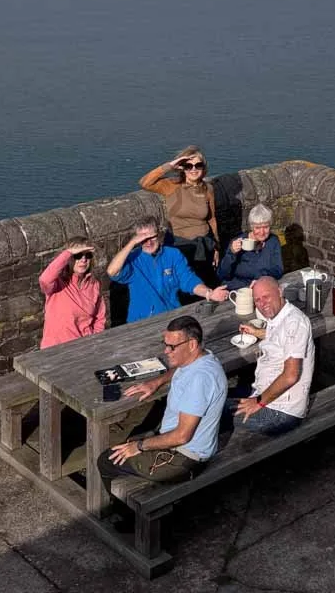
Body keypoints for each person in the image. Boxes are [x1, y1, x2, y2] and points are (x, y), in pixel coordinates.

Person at [97, 315, 227, 500]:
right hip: (186, 445)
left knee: (106, 460)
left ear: (192, 344)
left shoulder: (200, 380)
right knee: (128, 441)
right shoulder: (202, 358)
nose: (166, 351)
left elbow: (182, 436)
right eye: (165, 344)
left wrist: (140, 446)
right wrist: (156, 382)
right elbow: (180, 368)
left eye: (172, 347)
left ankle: (117, 511)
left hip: (184, 459)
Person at [233, 276, 315, 436]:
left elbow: (290, 376)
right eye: (257, 300)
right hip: (265, 394)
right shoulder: (281, 317)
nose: (262, 304)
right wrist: (258, 332)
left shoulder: (295, 322)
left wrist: (259, 402)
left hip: (280, 412)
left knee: (212, 410)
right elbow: (282, 337)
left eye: (266, 297)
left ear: (280, 292)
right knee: (217, 395)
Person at [107, 218, 228, 323]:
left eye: (152, 237)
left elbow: (188, 280)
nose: (148, 242)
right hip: (141, 321)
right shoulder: (134, 259)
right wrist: (132, 243)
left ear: (159, 235)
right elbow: (112, 272)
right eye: (143, 239)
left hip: (171, 315)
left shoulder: (173, 254)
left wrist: (209, 293)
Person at [138, 146, 219, 282]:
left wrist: (216, 247)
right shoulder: (172, 186)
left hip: (204, 245)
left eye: (198, 165)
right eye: (188, 166)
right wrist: (169, 166)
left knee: (203, 285)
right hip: (179, 245)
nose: (193, 169)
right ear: (182, 168)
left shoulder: (208, 189)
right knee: (180, 284)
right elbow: (145, 182)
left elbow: (211, 219)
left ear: (204, 168)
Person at [38, 236, 106, 348]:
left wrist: (94, 341)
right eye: (77, 255)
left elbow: (99, 318)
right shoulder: (57, 283)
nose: (83, 260)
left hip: (83, 348)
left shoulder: (94, 284)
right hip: (55, 349)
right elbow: (44, 279)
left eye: (88, 255)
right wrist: (68, 252)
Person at [217, 204, 284, 292]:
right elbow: (222, 275)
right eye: (257, 228)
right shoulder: (238, 242)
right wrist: (231, 253)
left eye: (266, 227)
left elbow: (278, 270)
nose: (262, 232)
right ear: (251, 227)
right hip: (238, 289)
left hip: (262, 287)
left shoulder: (273, 241)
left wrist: (261, 279)